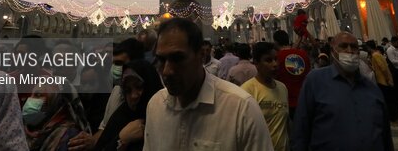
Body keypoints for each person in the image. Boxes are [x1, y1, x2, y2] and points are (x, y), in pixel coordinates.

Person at [143, 18, 273, 150]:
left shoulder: (240, 109)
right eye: (161, 60)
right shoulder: (156, 106)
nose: (166, 71)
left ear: (201, 55)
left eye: (177, 59)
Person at [292, 32, 393, 151]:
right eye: (344, 46)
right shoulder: (315, 81)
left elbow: (385, 133)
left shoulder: (372, 88)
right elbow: (301, 128)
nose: (349, 51)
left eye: (354, 47)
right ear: (333, 51)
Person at [68, 38, 144, 151]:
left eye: (119, 64)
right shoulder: (116, 90)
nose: (114, 68)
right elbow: (105, 128)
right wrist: (91, 141)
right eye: (113, 63)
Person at [95, 60, 162, 151]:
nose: (133, 96)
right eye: (128, 90)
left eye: (139, 87)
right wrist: (122, 139)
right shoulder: (121, 117)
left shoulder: (165, 116)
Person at [241, 42, 289, 151]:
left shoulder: (282, 88)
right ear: (256, 63)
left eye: (276, 59)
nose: (275, 64)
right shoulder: (247, 91)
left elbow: (285, 124)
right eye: (268, 60)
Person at [23, 82, 88, 151]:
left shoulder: (70, 138)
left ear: (55, 102)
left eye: (38, 95)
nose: (30, 100)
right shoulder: (26, 131)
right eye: (30, 95)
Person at [272, 29, 310, 119]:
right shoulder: (303, 54)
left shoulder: (277, 57)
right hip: (305, 99)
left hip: (285, 101)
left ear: (276, 42)